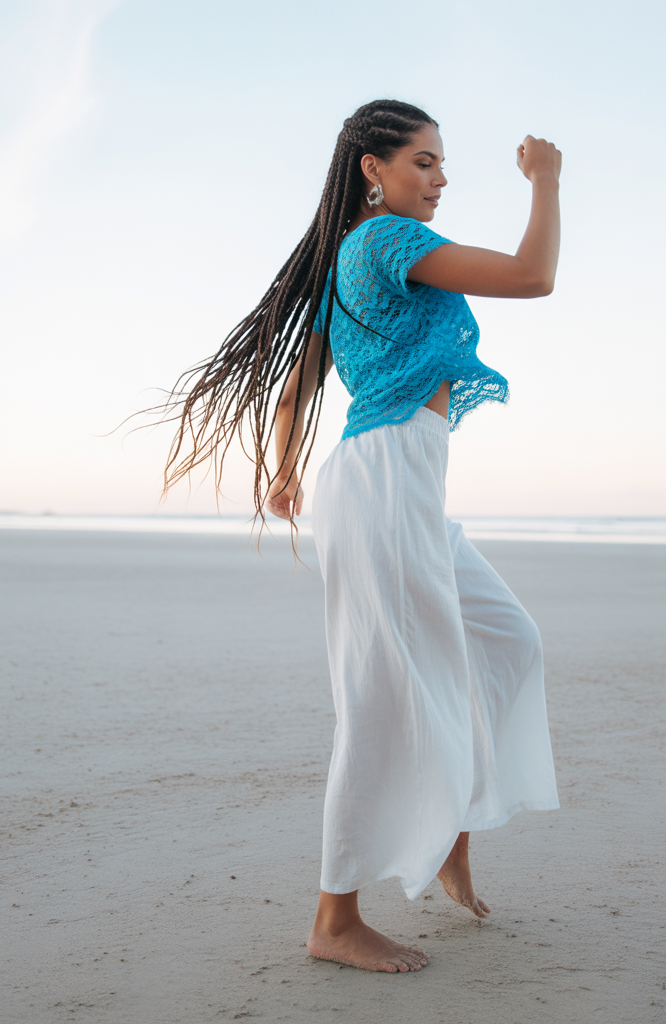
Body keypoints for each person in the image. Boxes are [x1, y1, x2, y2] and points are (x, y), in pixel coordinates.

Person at [159, 99, 561, 973]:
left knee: (507, 641)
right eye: (425, 161)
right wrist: (546, 180)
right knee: (378, 698)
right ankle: (334, 919)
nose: (442, 177)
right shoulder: (383, 242)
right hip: (383, 484)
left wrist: (282, 464)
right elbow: (533, 276)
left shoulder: (350, 258)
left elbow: (303, 376)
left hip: (399, 482)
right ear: (373, 169)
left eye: (443, 163)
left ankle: (451, 830)